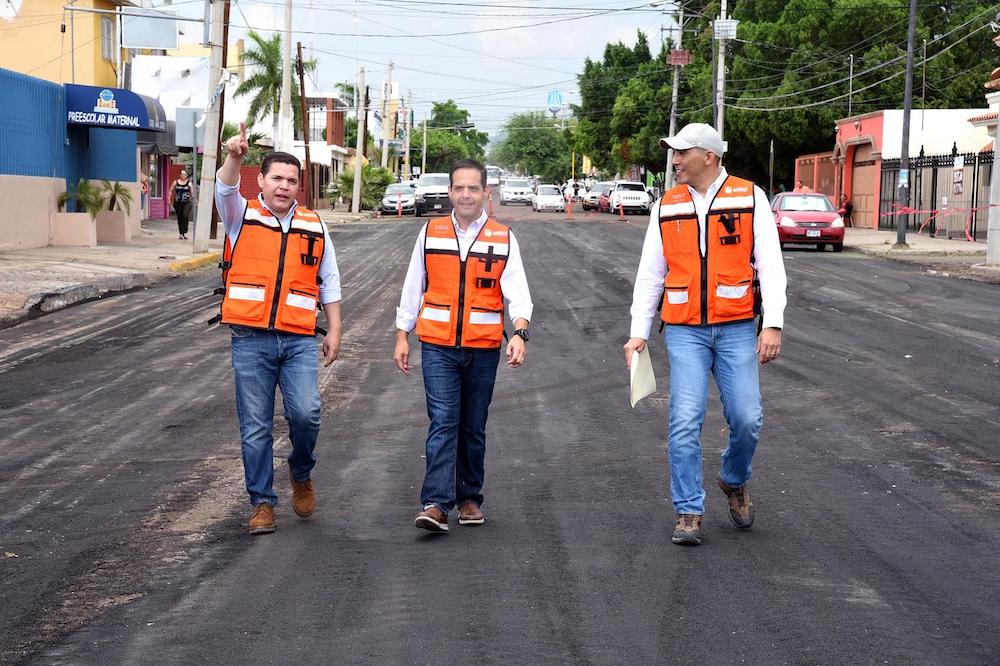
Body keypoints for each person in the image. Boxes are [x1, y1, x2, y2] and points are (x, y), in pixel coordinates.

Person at [623, 123, 787, 546]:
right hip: (684, 330)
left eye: (681, 153)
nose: (674, 161)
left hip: (735, 327)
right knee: (684, 421)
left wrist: (772, 322)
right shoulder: (666, 204)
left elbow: (769, 264)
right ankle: (688, 510)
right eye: (673, 154)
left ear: (709, 156)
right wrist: (638, 332)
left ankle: (733, 479)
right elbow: (650, 274)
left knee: (747, 419)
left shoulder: (751, 198)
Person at [214, 122, 343, 535]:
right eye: (277, 179)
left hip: (300, 339)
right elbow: (224, 189)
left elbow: (331, 280)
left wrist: (336, 329)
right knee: (255, 427)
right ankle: (262, 503)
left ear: (298, 187)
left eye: (291, 181)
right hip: (250, 339)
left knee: (307, 415)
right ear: (262, 181)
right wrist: (235, 156)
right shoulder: (240, 216)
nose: (284, 187)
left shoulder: (314, 225)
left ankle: (300, 471)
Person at [394, 159, 533, 534]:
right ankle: (437, 503)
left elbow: (518, 292)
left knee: (473, 425)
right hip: (437, 345)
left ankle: (469, 497)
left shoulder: (502, 238)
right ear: (450, 192)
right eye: (459, 188)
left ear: (486, 192)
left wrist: (519, 332)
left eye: (474, 188)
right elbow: (413, 286)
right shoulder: (431, 232)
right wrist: (402, 335)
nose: (466, 194)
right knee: (443, 421)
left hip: (484, 348)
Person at [168, 168, 195, 239]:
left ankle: (185, 232)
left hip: (187, 203)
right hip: (178, 202)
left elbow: (192, 193)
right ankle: (181, 233)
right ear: (180, 175)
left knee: (185, 216)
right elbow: (171, 190)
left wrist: (195, 200)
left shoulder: (189, 183)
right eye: (182, 174)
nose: (183, 175)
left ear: (186, 175)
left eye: (184, 174)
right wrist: (169, 199)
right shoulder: (175, 182)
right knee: (180, 217)